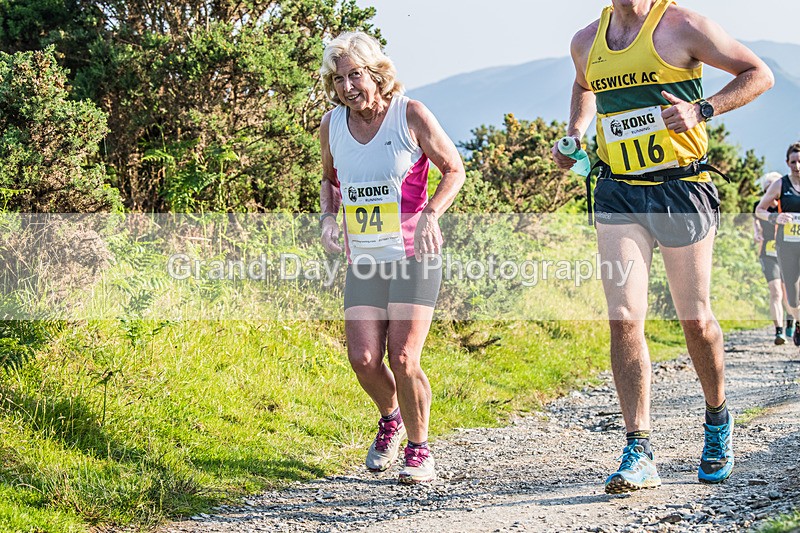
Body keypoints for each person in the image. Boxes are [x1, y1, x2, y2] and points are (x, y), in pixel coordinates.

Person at [552, 0, 773, 493]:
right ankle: (639, 449)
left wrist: (701, 109)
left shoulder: (683, 25)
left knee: (695, 319)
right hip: (617, 189)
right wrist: (574, 134)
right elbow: (585, 85)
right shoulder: (586, 40)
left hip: (681, 187)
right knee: (624, 317)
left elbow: (759, 74)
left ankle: (717, 419)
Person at [318, 32, 465, 484]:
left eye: (354, 75)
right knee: (363, 358)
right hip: (364, 258)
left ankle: (419, 450)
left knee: (402, 357)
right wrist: (328, 218)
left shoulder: (409, 114)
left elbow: (454, 169)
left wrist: (430, 214)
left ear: (376, 73)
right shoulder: (331, 124)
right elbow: (330, 180)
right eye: (338, 79)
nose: (347, 87)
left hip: (413, 256)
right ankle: (391, 419)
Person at [756, 143, 800, 348]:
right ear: (787, 163)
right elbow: (759, 210)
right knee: (791, 296)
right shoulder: (781, 185)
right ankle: (795, 322)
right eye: (793, 162)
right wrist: (776, 217)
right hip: (786, 246)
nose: (797, 166)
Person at [753, 171, 793, 345]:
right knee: (776, 291)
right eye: (768, 189)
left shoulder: (788, 206)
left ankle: (791, 318)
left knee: (788, 294)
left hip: (787, 254)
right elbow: (756, 221)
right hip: (768, 254)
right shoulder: (759, 207)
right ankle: (779, 331)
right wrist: (756, 233)